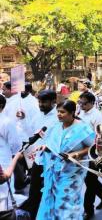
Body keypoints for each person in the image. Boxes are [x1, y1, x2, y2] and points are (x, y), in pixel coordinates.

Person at [36, 100, 95, 219]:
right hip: (55, 171)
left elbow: (94, 147)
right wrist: (45, 148)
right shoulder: (56, 126)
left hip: (73, 172)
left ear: (72, 112)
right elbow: (52, 145)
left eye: (62, 112)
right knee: (54, 200)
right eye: (58, 111)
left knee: (67, 201)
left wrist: (77, 153)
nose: (59, 114)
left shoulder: (83, 128)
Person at [19, 90, 58, 219]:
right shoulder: (38, 114)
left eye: (44, 102)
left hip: (53, 161)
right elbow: (30, 131)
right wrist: (23, 119)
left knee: (50, 192)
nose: (41, 104)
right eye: (39, 101)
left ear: (53, 102)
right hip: (38, 159)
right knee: (34, 191)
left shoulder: (59, 117)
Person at [0, 94, 23, 218]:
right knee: (4, 198)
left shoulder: (6, 122)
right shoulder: (7, 122)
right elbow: (16, 147)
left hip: (3, 162)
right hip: (4, 165)